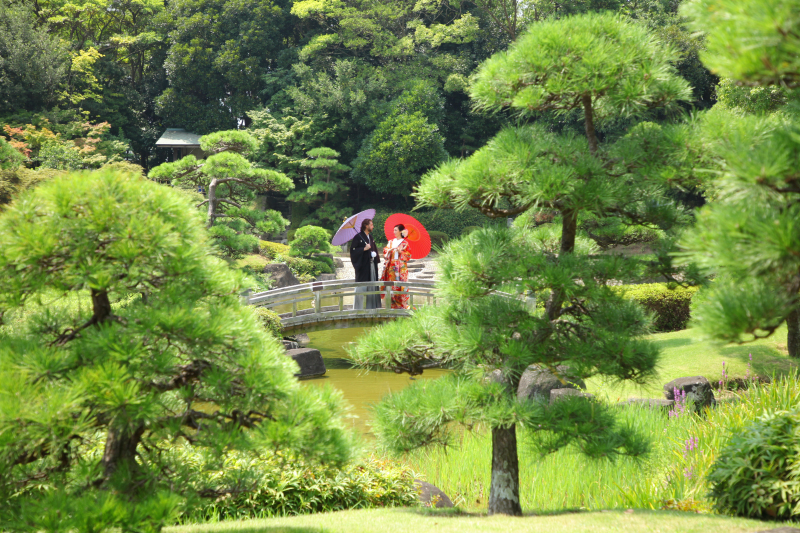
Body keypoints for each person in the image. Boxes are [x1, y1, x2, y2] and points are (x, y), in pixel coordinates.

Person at [350, 218, 381, 309]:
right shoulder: (358, 237)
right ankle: (361, 307)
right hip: (363, 266)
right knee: (363, 285)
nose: (373, 226)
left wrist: (375, 261)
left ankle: (372, 306)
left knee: (372, 283)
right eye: (371, 225)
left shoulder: (370, 237)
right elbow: (353, 251)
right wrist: (363, 249)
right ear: (366, 226)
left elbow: (374, 249)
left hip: (371, 265)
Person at [380, 223, 412, 309]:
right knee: (392, 285)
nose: (394, 232)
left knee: (400, 285)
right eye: (394, 230)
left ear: (401, 231)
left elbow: (408, 255)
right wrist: (389, 250)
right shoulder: (391, 242)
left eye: (395, 230)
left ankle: (402, 304)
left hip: (401, 268)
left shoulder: (405, 243)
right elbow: (385, 251)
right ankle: (392, 304)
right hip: (392, 266)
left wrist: (401, 252)